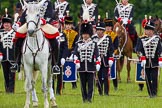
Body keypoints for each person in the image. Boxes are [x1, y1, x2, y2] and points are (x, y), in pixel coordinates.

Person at [10, 0, 60, 74]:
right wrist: (19, 23)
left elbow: (50, 15)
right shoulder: (30, 2)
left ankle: (54, 64)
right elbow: (24, 15)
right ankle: (17, 63)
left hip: (43, 24)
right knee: (18, 39)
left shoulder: (47, 2)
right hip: (30, 24)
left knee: (54, 41)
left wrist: (43, 21)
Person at [71, 22, 101, 103]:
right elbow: (75, 54)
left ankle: (89, 98)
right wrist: (76, 61)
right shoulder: (78, 44)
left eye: (87, 34)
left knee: (91, 84)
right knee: (83, 85)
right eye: (84, 34)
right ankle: (84, 99)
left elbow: (97, 54)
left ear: (90, 34)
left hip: (91, 67)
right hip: (81, 67)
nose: (85, 35)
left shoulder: (93, 44)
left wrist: (98, 63)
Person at [136, 20, 162, 98]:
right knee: (147, 79)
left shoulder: (157, 39)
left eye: (150, 30)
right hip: (146, 62)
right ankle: (150, 93)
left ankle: (154, 93)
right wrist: (142, 57)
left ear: (152, 30)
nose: (149, 31)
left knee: (154, 78)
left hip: (154, 62)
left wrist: (160, 59)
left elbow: (160, 50)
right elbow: (138, 50)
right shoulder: (141, 39)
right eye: (147, 30)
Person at [92, 18, 114, 95]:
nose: (99, 31)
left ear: (103, 31)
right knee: (98, 76)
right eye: (97, 30)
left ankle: (106, 92)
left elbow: (111, 49)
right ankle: (100, 91)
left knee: (105, 76)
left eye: (100, 30)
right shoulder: (93, 38)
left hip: (105, 59)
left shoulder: (108, 38)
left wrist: (111, 58)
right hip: (97, 60)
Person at [51, 19, 68, 95]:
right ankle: (51, 90)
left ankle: (58, 91)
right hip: (52, 57)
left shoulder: (63, 35)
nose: (56, 26)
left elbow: (65, 47)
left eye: (57, 25)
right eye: (54, 25)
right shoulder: (50, 35)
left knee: (60, 75)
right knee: (51, 75)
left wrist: (64, 57)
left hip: (60, 57)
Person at [0, 14, 16, 93]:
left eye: (8, 23)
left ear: (11, 24)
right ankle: (7, 90)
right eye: (5, 23)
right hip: (3, 57)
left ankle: (11, 90)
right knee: (5, 75)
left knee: (12, 75)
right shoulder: (0, 33)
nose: (6, 24)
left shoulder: (15, 33)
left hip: (12, 57)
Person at [63, 15, 79, 89]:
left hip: (72, 51)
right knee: (62, 67)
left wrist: (74, 52)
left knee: (73, 67)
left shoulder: (75, 33)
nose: (68, 26)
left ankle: (74, 84)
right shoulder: (62, 33)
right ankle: (62, 84)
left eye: (69, 25)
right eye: (67, 25)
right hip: (64, 52)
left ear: (71, 25)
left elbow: (76, 44)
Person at [104, 17, 119, 91]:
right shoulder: (102, 34)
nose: (108, 28)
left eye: (109, 26)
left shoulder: (114, 35)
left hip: (112, 55)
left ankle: (115, 85)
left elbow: (116, 46)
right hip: (103, 54)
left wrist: (113, 54)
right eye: (107, 26)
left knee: (113, 71)